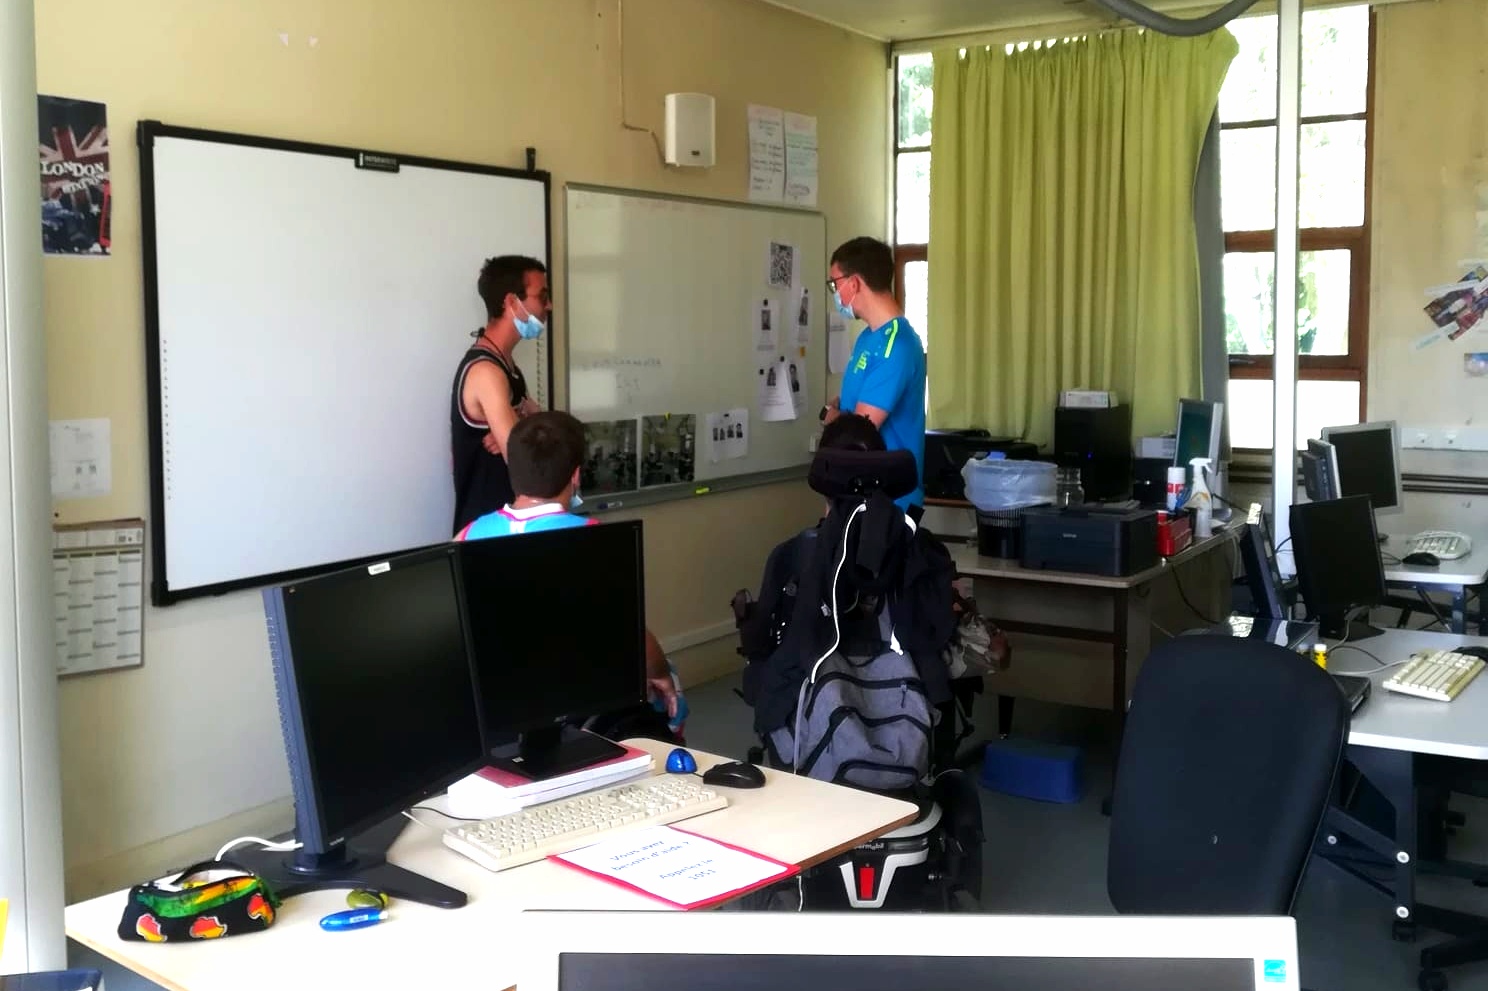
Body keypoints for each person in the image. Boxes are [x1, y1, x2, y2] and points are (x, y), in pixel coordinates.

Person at [455, 411, 686, 738]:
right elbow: (628, 630)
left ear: (512, 469)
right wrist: (661, 673)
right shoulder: (595, 538)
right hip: (577, 697)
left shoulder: (466, 536)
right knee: (666, 684)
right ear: (575, 475)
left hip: (495, 706)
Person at [822, 237, 927, 516]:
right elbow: (851, 407)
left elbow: (858, 435)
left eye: (835, 283)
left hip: (889, 503)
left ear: (854, 283)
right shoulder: (868, 338)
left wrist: (833, 418)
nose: (835, 293)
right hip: (855, 494)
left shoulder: (897, 345)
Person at [450, 255, 549, 537]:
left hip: (511, 528)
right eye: (542, 296)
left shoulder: (508, 366)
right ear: (511, 302)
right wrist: (523, 431)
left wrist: (522, 427)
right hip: (486, 534)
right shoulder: (486, 372)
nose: (549, 306)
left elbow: (537, 429)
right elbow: (525, 466)